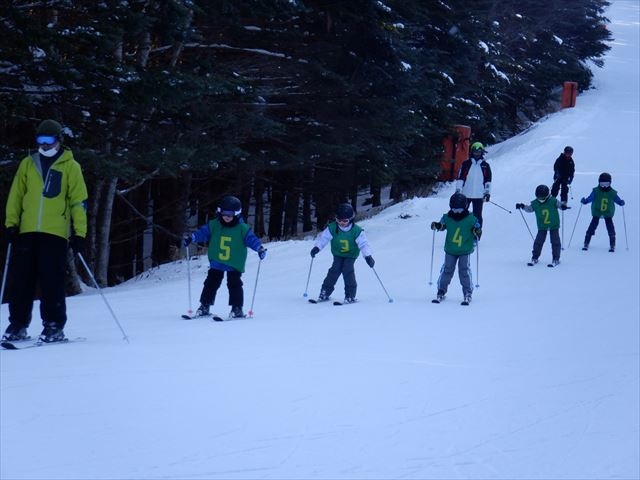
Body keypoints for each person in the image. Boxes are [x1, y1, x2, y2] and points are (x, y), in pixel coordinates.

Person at [2, 119, 88, 343]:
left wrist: (80, 233)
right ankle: (18, 324)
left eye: (48, 140)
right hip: (27, 231)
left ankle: (53, 325)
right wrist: (11, 224)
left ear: (58, 141)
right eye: (40, 140)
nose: (44, 145)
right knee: (22, 280)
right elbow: (16, 197)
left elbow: (78, 202)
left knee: (51, 281)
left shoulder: (71, 167)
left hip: (55, 234)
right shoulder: (28, 164)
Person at [183, 195, 266, 319]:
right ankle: (204, 306)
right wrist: (193, 237)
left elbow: (251, 239)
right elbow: (203, 232)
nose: (226, 217)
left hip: (234, 262)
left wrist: (259, 248)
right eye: (224, 214)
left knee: (234, 284)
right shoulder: (215, 224)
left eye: (230, 214)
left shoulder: (242, 228)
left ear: (237, 214)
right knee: (211, 283)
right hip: (217, 260)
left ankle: (237, 308)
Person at [310, 203, 374, 304]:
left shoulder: (356, 231)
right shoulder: (332, 228)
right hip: (338, 254)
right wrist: (317, 248)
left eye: (345, 221)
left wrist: (368, 256)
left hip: (351, 255)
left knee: (347, 271)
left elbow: (364, 244)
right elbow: (323, 239)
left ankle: (350, 295)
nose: (342, 223)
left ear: (351, 219)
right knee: (333, 271)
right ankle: (325, 292)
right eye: (339, 220)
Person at [430, 193, 481, 304]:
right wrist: (437, 225)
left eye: (459, 210)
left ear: (465, 207)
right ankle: (441, 291)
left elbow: (476, 227)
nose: (456, 212)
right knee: (447, 270)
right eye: (454, 209)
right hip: (450, 249)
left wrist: (477, 231)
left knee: (464, 271)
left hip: (465, 249)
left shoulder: (470, 218)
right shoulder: (447, 217)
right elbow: (442, 225)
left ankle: (467, 292)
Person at [515, 185, 561, 267]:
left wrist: (563, 206)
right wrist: (522, 206)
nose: (541, 200)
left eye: (542, 198)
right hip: (542, 225)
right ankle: (535, 257)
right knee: (538, 242)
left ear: (547, 196)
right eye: (539, 198)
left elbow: (560, 205)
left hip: (553, 225)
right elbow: (529, 209)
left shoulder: (553, 201)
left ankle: (556, 258)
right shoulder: (535, 203)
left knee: (555, 241)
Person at [580, 172, 625, 252]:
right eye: (602, 184)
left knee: (610, 227)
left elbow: (616, 199)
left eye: (606, 184)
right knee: (592, 226)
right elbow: (590, 198)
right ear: (599, 183)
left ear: (610, 183)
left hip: (608, 212)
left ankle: (612, 243)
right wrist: (585, 201)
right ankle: (586, 241)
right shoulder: (596, 191)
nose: (604, 186)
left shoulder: (612, 192)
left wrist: (620, 202)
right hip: (597, 211)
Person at [455, 141, 492, 227]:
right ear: (472, 152)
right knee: (462, 214)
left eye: (479, 152)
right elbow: (461, 178)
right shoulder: (466, 164)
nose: (477, 154)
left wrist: (487, 193)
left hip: (479, 196)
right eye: (475, 151)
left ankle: (476, 234)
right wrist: (458, 191)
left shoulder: (485, 166)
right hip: (465, 195)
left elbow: (488, 181)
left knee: (477, 216)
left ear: (482, 152)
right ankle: (460, 231)